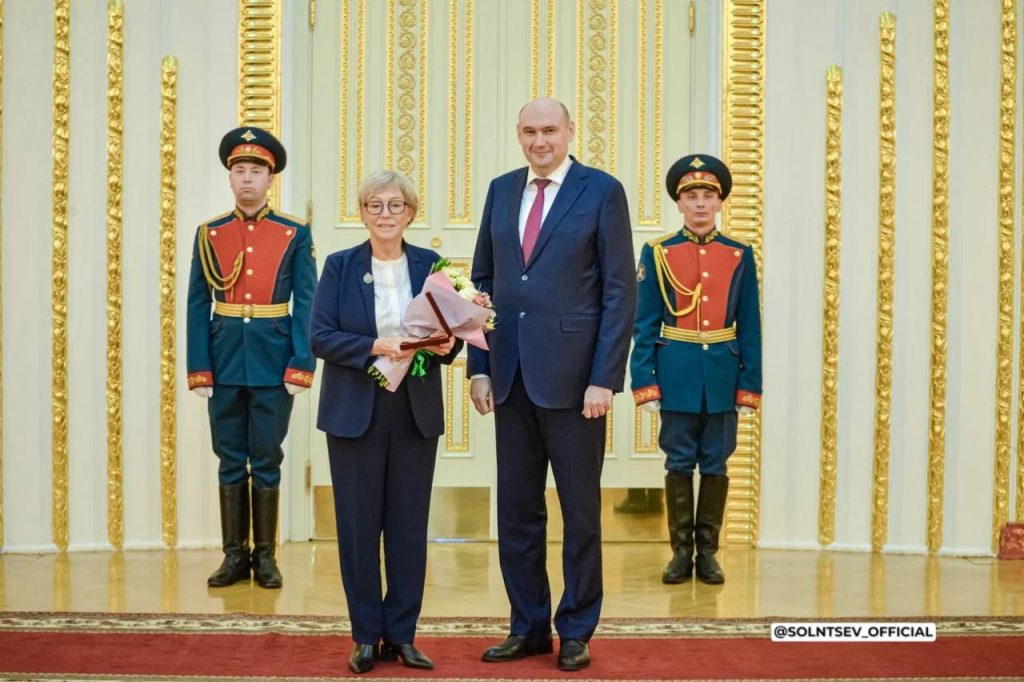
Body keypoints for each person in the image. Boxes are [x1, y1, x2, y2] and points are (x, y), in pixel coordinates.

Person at [469, 97, 636, 672]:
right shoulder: (500, 190)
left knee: (580, 513)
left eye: (549, 130)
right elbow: (481, 284)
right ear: (518, 135)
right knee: (516, 512)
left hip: (575, 382)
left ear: (569, 131)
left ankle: (577, 629)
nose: (539, 141)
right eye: (529, 131)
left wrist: (604, 379)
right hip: (510, 376)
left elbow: (619, 291)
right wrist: (479, 366)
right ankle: (528, 626)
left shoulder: (602, 191)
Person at [310, 170, 462, 675]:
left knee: (407, 528)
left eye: (396, 205)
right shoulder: (339, 266)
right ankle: (364, 636)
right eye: (375, 205)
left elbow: (449, 339)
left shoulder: (431, 266)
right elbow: (320, 337)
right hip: (355, 410)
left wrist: (447, 344)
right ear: (362, 212)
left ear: (411, 213)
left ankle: (402, 635)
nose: (385, 214)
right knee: (357, 528)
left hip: (414, 411)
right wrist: (377, 345)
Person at [186, 126, 316, 590]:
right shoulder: (210, 233)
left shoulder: (294, 232)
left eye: (255, 171)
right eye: (239, 169)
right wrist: (198, 367)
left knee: (265, 458)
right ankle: (233, 557)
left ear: (270, 178)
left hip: (273, 359)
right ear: (229, 177)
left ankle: (265, 557)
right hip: (223, 359)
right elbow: (197, 304)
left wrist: (301, 363)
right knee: (228, 458)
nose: (247, 178)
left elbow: (308, 301)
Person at [629, 154, 762, 585]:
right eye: (692, 196)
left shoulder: (739, 254)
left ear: (720, 202)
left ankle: (708, 554)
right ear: (679, 203)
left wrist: (749, 386)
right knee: (680, 461)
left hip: (723, 375)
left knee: (716, 463)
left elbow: (750, 325)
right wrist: (645, 381)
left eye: (708, 196)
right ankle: (680, 553)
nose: (700, 204)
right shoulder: (658, 253)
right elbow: (644, 323)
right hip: (676, 374)